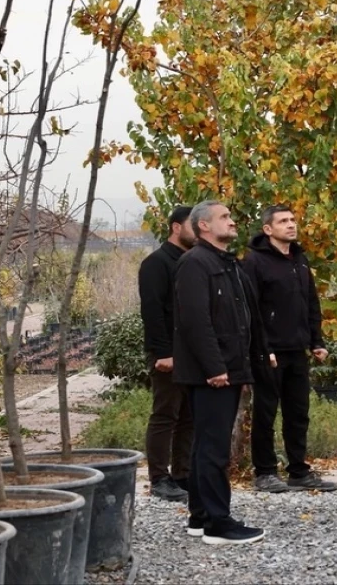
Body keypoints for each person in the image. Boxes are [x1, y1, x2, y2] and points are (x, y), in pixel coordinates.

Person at [173, 200, 273, 546]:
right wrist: (215, 368)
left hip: (230, 368)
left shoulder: (228, 264)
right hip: (213, 372)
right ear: (203, 226)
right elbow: (195, 321)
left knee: (205, 447)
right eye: (225, 217)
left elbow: (246, 317)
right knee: (214, 449)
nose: (232, 221)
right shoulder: (194, 264)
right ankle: (218, 523)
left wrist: (259, 358)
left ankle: (200, 518)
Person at [243, 205, 337, 493]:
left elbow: (310, 302)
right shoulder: (254, 261)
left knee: (298, 413)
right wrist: (264, 348)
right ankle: (265, 472)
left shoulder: (299, 259)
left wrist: (316, 341)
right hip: (269, 353)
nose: (291, 225)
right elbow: (251, 309)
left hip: (297, 350)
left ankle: (298, 471)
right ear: (268, 229)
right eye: (283, 221)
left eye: (293, 220)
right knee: (266, 413)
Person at [138, 205, 196, 502]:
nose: (198, 229)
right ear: (176, 227)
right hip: (168, 354)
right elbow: (152, 312)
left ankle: (182, 475)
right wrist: (163, 352)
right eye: (192, 224)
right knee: (165, 415)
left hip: (193, 354)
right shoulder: (156, 263)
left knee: (189, 417)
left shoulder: (193, 262)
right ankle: (159, 477)